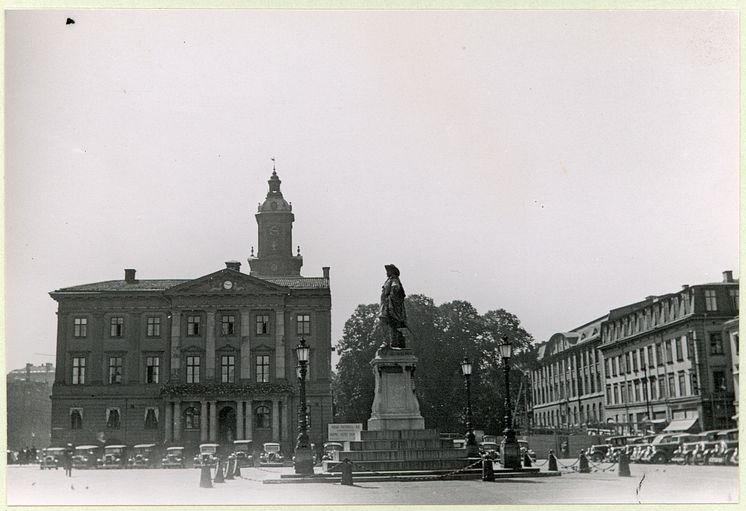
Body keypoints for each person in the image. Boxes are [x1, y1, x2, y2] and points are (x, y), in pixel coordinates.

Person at [378, 264, 407, 349]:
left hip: (389, 305)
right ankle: (392, 342)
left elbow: (396, 287)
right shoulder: (389, 280)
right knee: (391, 323)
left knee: (384, 321)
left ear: (392, 271)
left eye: (388, 270)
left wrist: (390, 296)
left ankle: (387, 342)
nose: (386, 272)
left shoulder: (394, 279)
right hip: (386, 304)